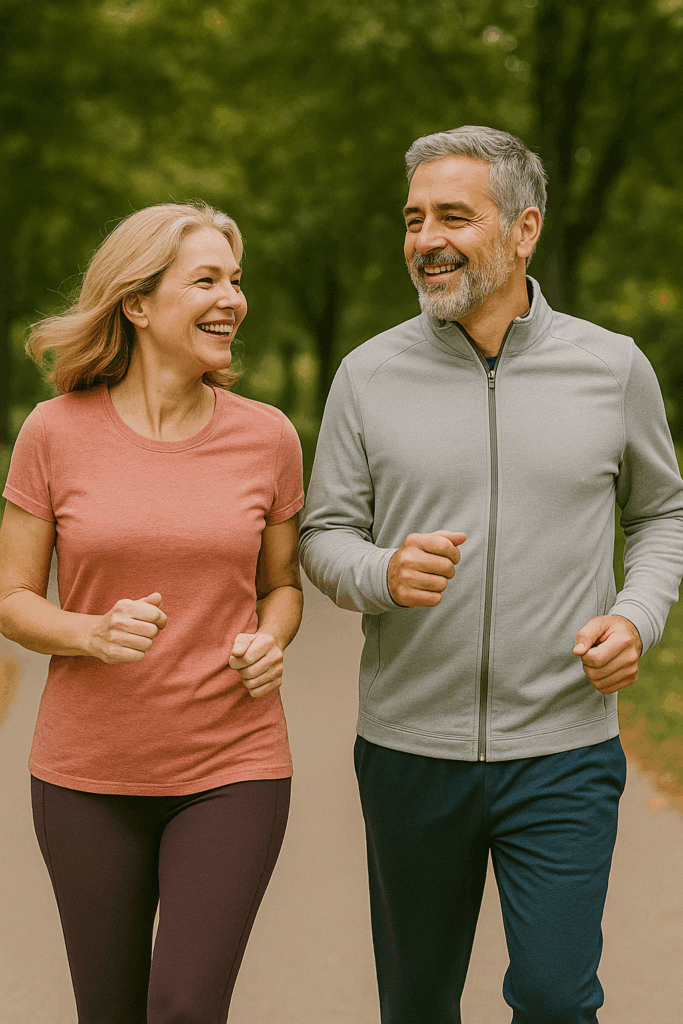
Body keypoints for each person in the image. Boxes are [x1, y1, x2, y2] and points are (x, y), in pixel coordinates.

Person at [299, 126, 683, 1023]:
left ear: (523, 230)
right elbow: (324, 534)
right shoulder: (367, 376)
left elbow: (661, 511)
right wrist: (382, 570)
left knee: (555, 998)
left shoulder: (611, 367)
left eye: (452, 217)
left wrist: (635, 618)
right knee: (417, 1003)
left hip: (562, 749)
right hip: (408, 752)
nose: (424, 239)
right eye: (412, 219)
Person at [0, 202, 304, 1024]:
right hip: (86, 775)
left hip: (231, 766)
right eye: (205, 279)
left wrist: (270, 638)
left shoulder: (268, 438)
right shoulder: (53, 432)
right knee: (108, 1010)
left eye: (235, 281)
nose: (231, 299)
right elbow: (12, 598)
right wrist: (88, 632)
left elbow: (283, 587)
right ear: (136, 303)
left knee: (185, 1007)